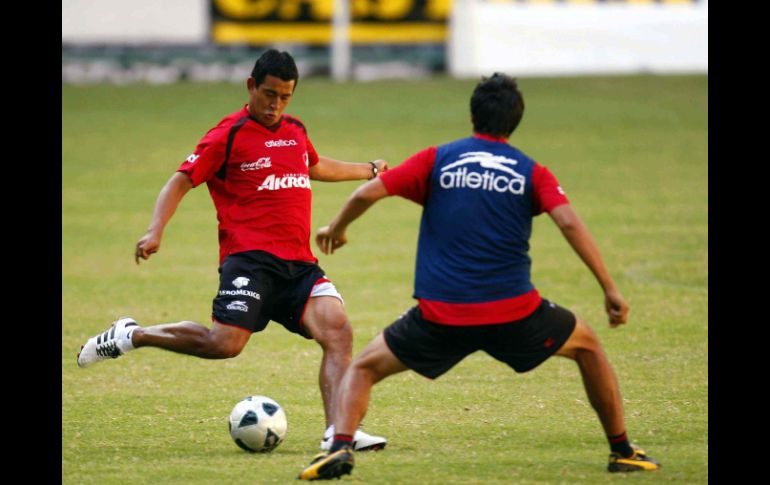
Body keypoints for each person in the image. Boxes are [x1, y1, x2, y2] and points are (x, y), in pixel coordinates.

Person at [298, 73, 661, 480]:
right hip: (515, 313)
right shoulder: (530, 171)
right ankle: (622, 450)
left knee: (363, 368)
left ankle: (341, 447)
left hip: (441, 316)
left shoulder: (438, 159)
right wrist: (609, 288)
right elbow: (570, 224)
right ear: (515, 121)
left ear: (473, 114)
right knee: (589, 346)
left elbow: (367, 192)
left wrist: (336, 228)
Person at [77, 49, 388, 452]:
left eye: (285, 97)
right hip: (250, 261)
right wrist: (156, 230)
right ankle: (133, 335)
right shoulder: (229, 134)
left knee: (338, 331)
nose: (276, 105)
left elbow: (311, 164)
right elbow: (180, 181)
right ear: (251, 87)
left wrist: (369, 169)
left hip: (298, 264)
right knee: (223, 345)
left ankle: (338, 434)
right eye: (269, 94)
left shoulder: (295, 129)